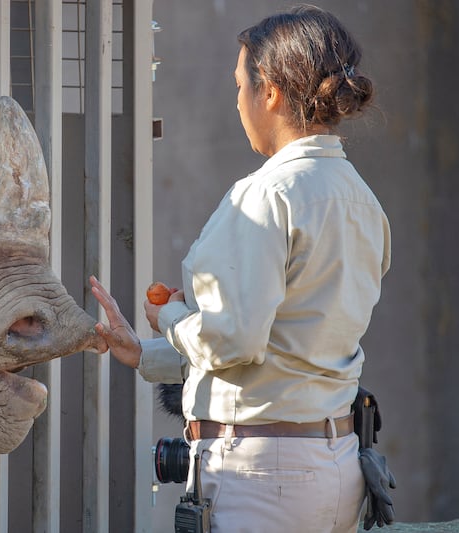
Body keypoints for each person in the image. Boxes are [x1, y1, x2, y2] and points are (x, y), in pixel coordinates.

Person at [90, 5, 392, 532]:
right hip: (337, 464)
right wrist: (145, 355)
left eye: (239, 85)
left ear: (270, 91)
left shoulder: (265, 195)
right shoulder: (363, 200)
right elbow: (287, 349)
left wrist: (172, 317)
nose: (237, 102)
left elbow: (235, 340)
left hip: (262, 477)